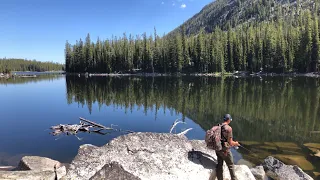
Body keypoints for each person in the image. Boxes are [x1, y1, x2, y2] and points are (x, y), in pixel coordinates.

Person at [216, 114, 240, 180]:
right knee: (231, 165)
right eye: (230, 120)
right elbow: (230, 142)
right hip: (225, 150)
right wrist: (236, 143)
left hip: (218, 148)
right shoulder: (229, 128)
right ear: (228, 120)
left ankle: (220, 178)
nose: (230, 121)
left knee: (219, 164)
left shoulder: (218, 126)